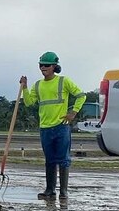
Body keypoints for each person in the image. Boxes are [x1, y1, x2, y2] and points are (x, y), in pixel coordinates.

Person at [20, 51, 86, 200]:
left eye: (46, 65)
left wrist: (73, 113)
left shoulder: (64, 81)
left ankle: (63, 191)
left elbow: (81, 96)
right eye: (41, 65)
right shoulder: (38, 85)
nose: (43, 67)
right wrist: (24, 87)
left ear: (54, 66)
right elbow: (29, 102)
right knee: (49, 159)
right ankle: (50, 190)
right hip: (45, 128)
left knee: (63, 159)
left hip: (61, 126)